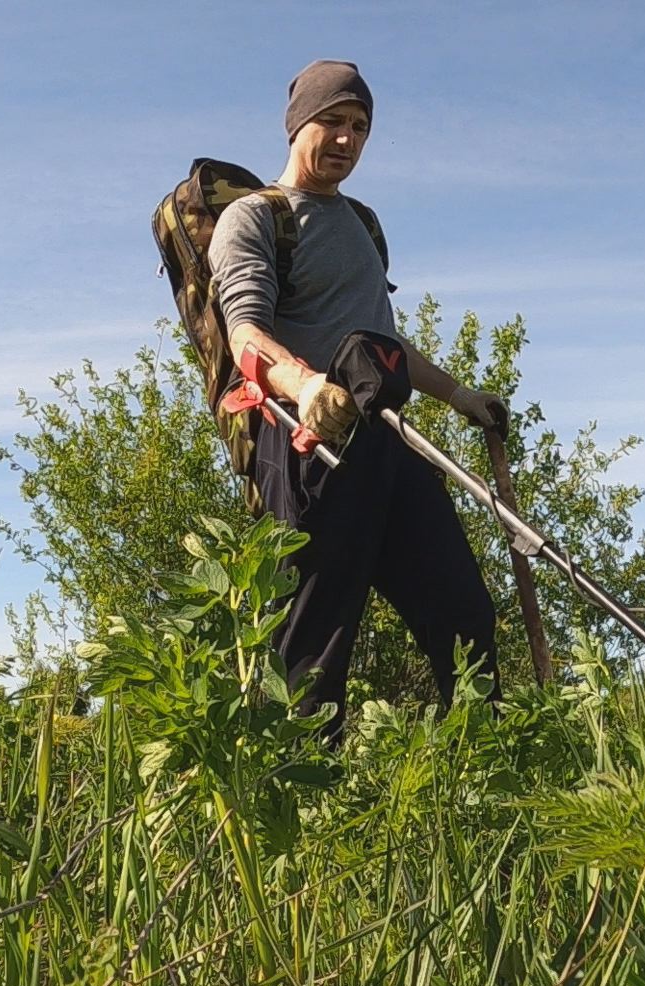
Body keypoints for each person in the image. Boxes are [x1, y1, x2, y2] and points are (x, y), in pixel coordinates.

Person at [208, 58, 505, 734]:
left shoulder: (364, 224)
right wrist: (306, 383)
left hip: (387, 438)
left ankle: (488, 779)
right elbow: (244, 335)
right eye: (332, 122)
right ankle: (306, 809)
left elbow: (384, 342)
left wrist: (463, 396)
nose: (346, 139)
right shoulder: (255, 219)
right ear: (297, 125)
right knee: (314, 643)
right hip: (309, 445)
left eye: (360, 127)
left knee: (462, 613)